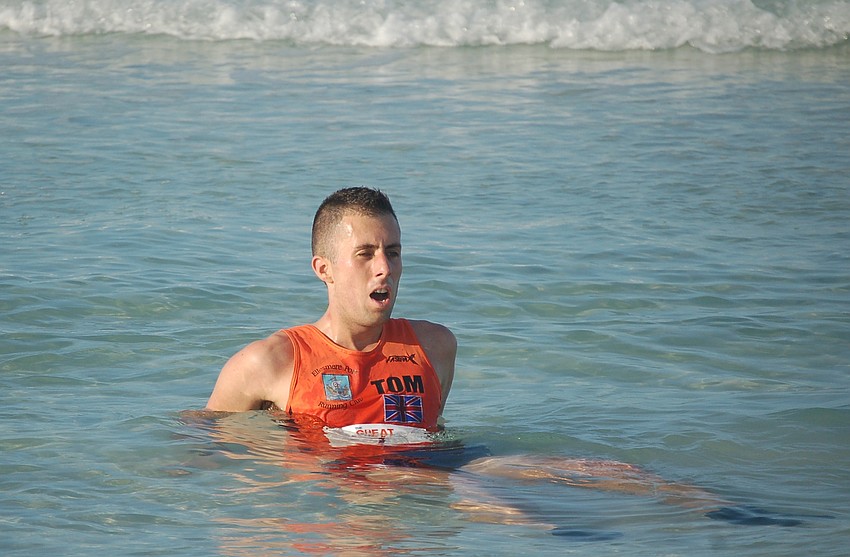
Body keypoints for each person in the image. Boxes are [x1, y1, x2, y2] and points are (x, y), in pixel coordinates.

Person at [206, 186, 456, 439]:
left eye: (392, 253)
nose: (385, 267)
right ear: (324, 270)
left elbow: (435, 440)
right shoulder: (268, 362)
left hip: (423, 475)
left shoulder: (434, 347)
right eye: (365, 254)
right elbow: (204, 449)